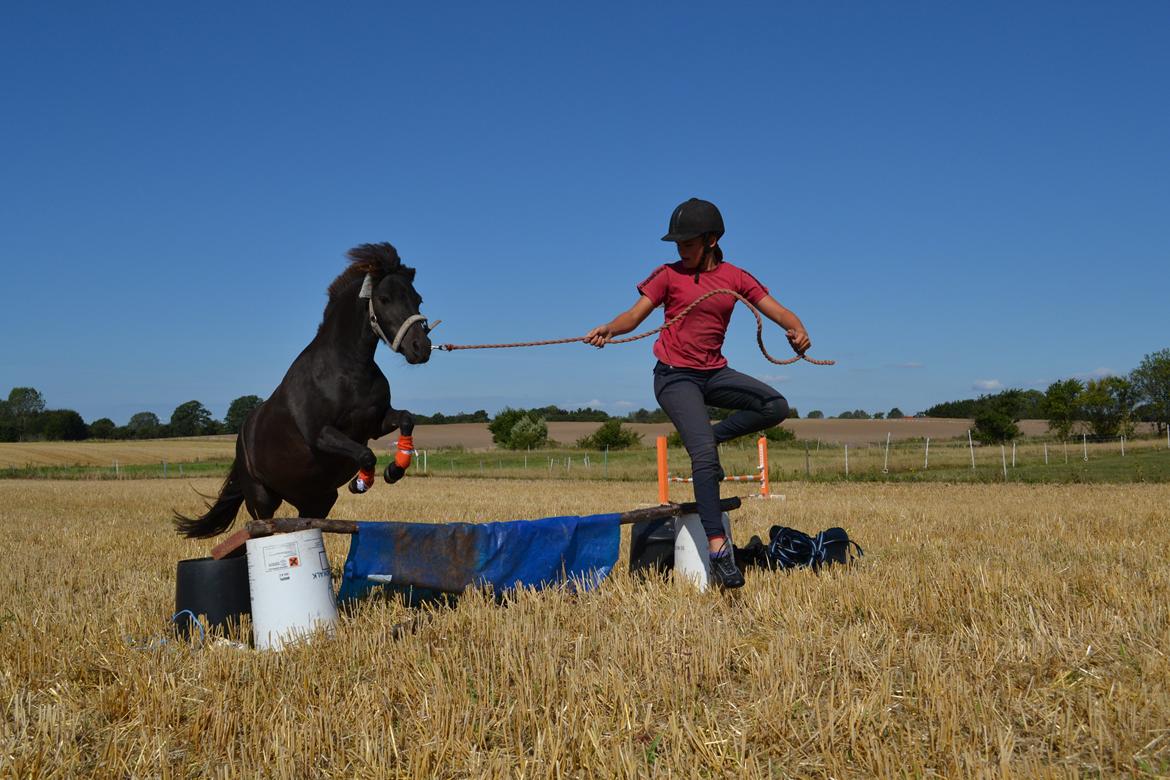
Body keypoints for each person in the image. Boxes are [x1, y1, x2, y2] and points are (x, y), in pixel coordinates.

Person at [586, 198, 812, 589]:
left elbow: (778, 311)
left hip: (714, 373)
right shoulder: (667, 276)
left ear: (711, 240)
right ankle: (719, 549)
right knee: (704, 458)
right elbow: (635, 314)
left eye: (688, 243)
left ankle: (710, 437)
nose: (680, 250)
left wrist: (797, 329)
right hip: (674, 377)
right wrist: (609, 327)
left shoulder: (735, 277)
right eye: (677, 244)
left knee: (774, 405)